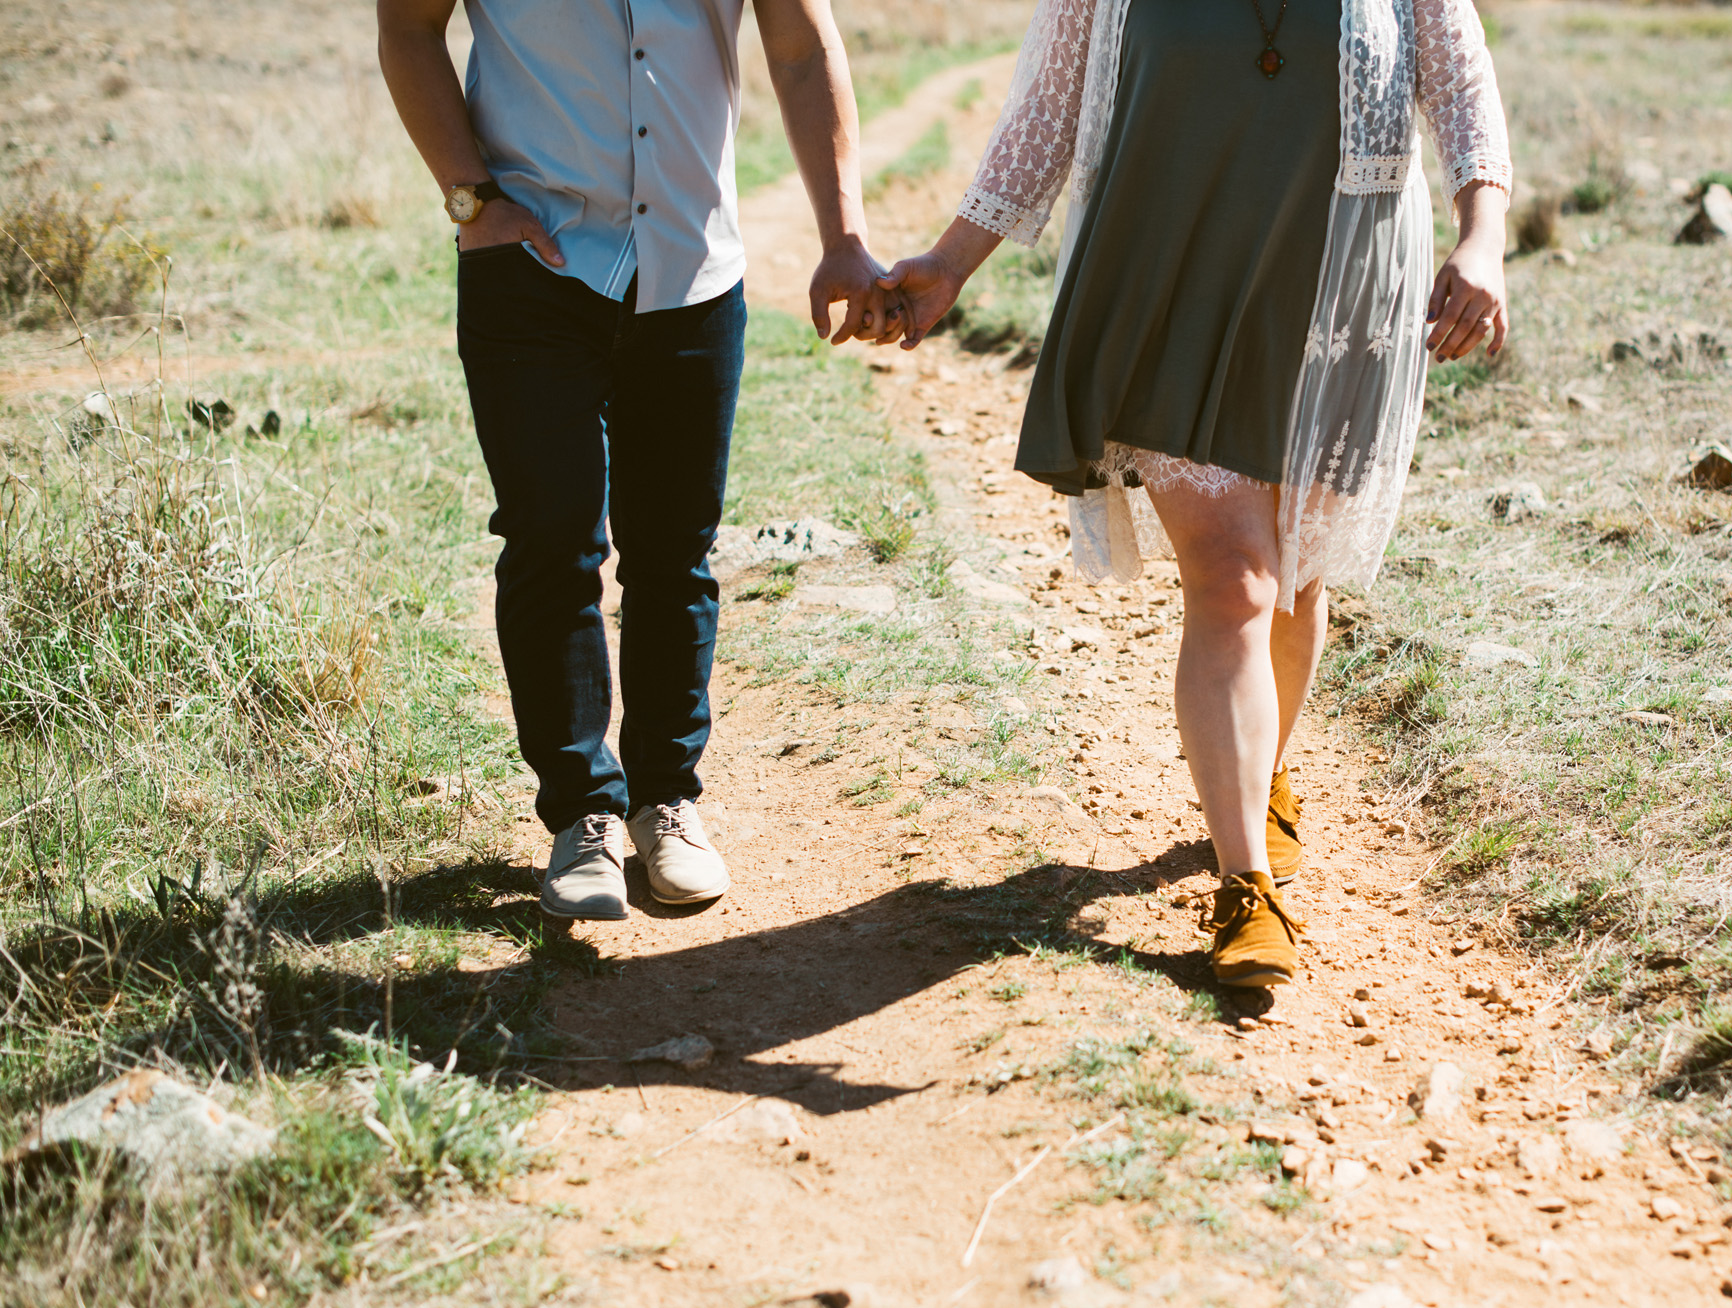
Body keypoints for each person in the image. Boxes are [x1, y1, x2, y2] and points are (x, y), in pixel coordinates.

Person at [878, 0, 1511, 986]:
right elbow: (1044, 113)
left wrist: (1484, 240)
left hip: (1338, 296)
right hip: (1167, 288)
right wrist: (952, 261)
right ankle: (1244, 887)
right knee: (1236, 581)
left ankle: (1260, 774)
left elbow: (1463, 91)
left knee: (1297, 582)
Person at [378, 0, 903, 920]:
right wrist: (470, 200)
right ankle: (582, 814)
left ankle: (669, 801)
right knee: (551, 540)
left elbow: (800, 44)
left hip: (693, 266)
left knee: (672, 550)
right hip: (530, 262)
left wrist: (842, 234)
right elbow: (408, 27)